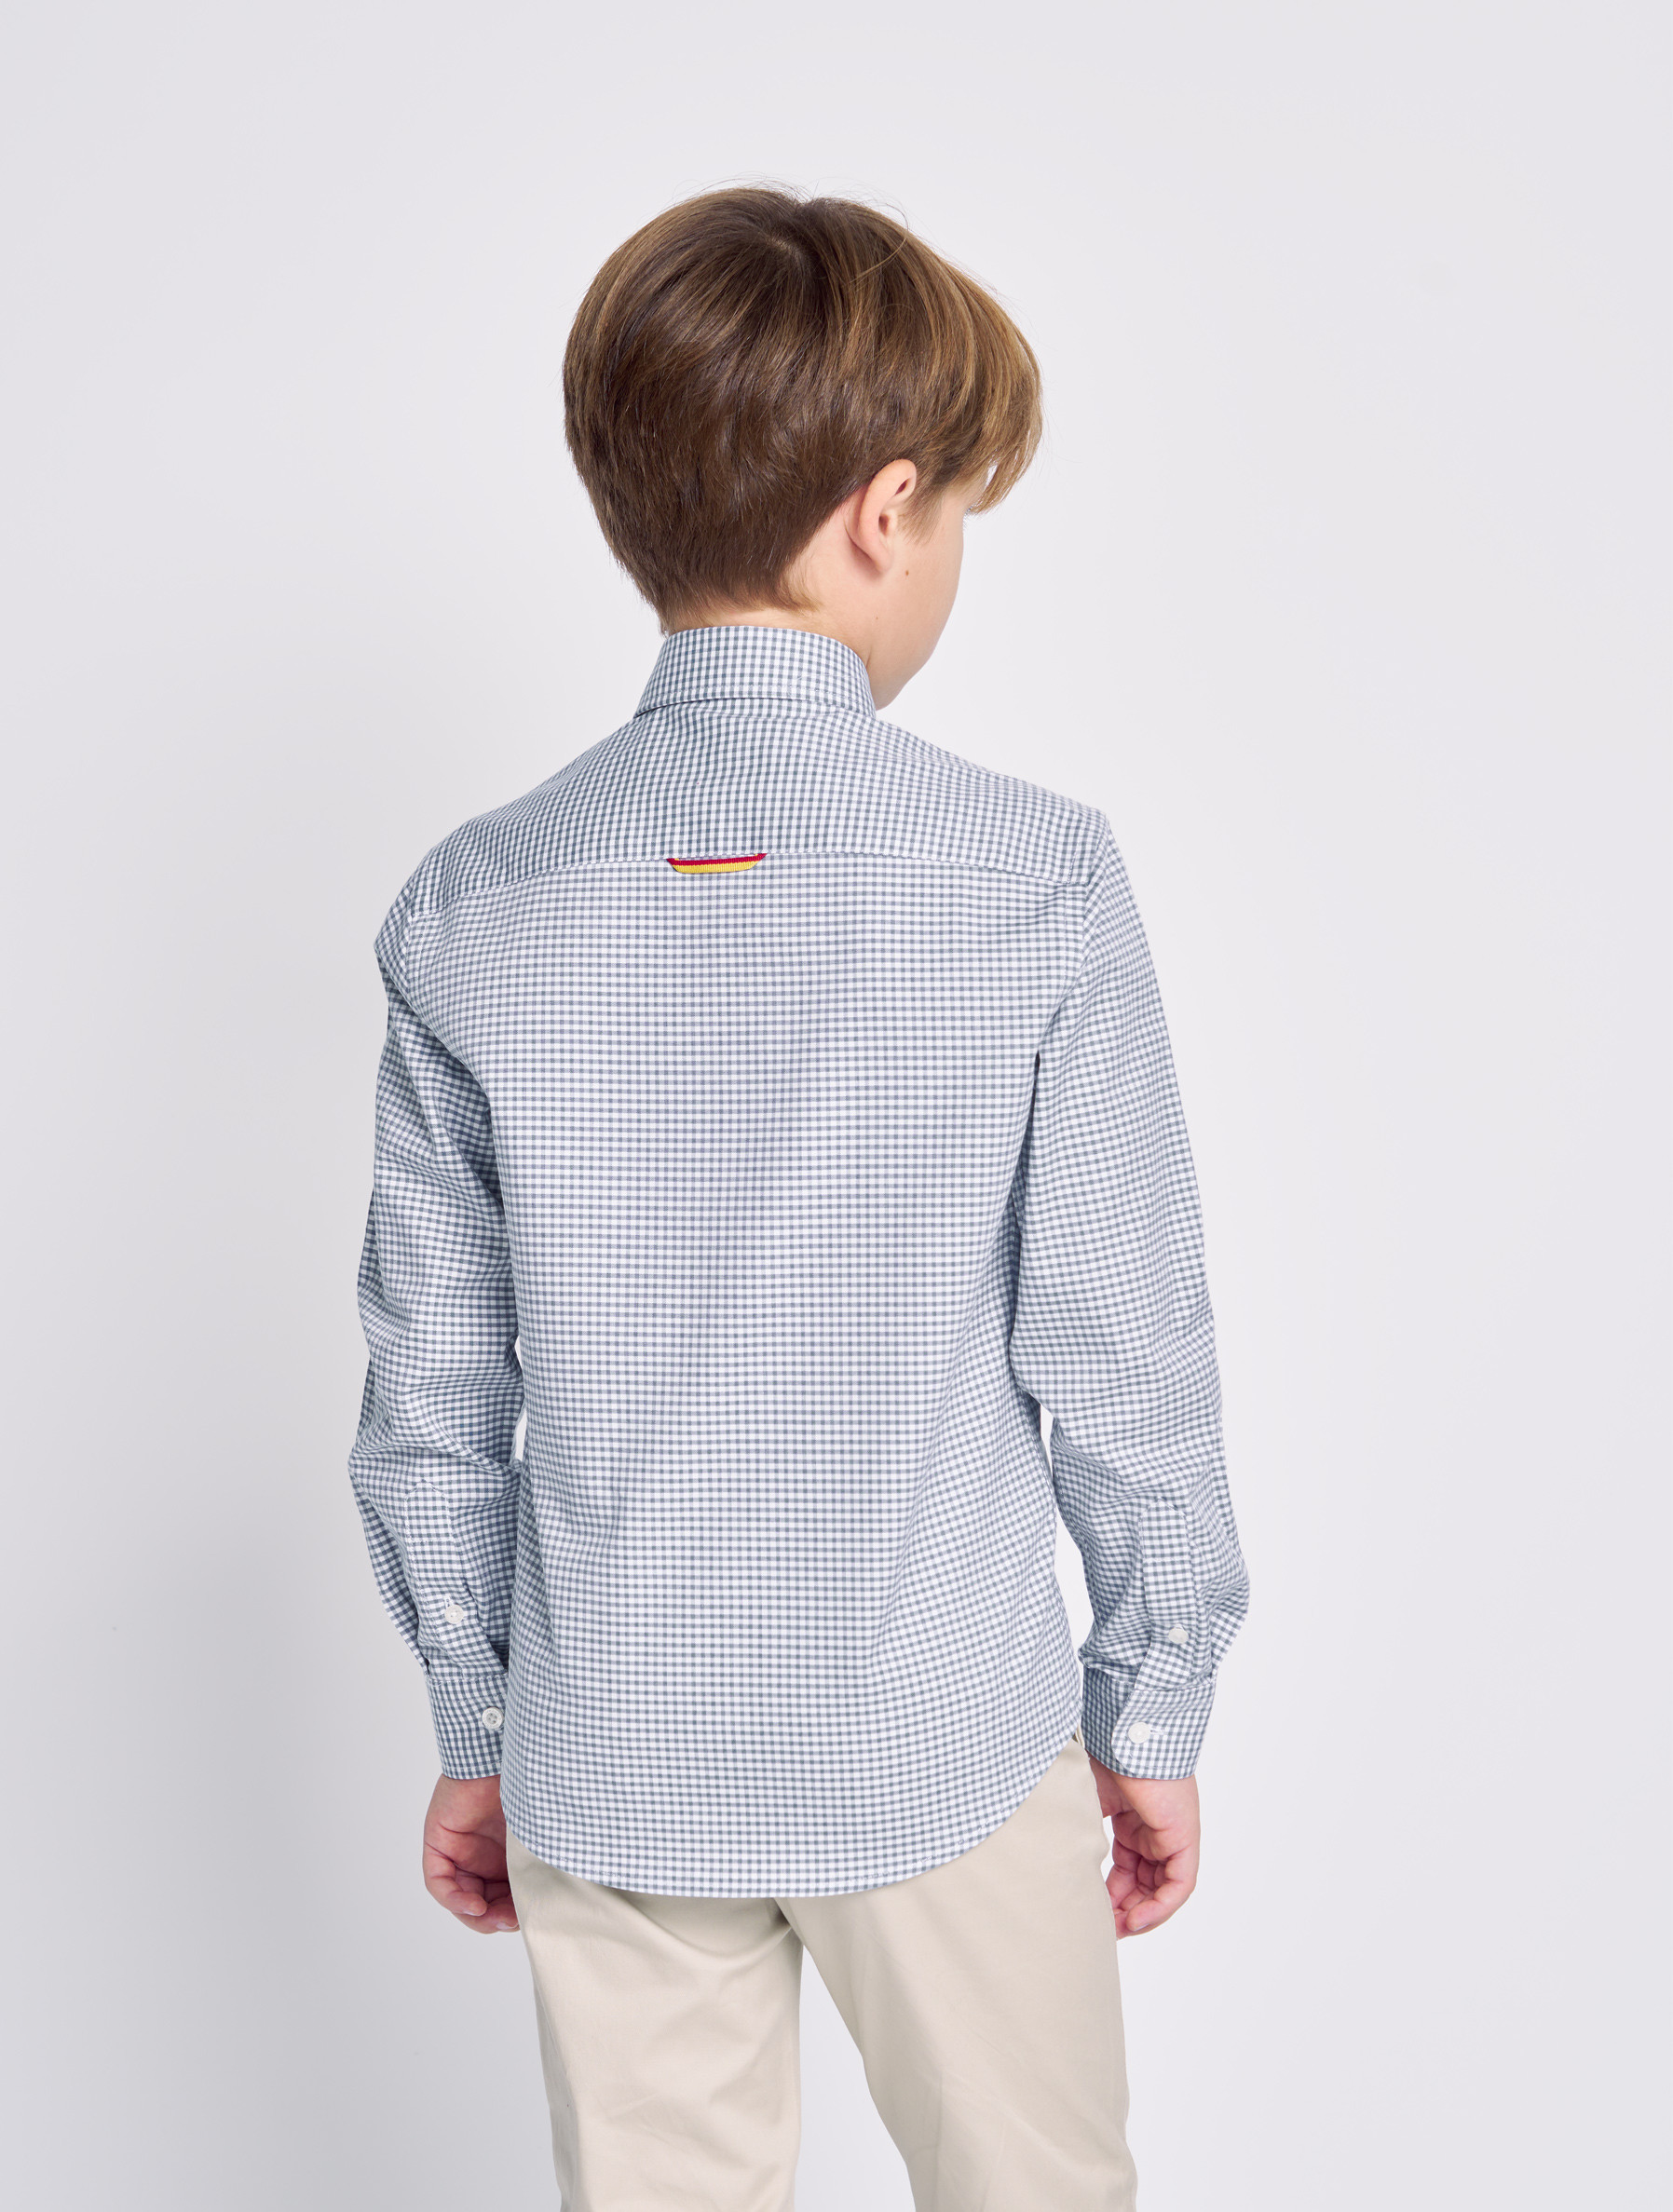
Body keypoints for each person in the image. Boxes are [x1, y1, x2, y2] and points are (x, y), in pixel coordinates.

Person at [348, 186, 1250, 2212]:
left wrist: (478, 1715)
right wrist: (1152, 1695)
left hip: (613, 1748)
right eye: (960, 514)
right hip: (945, 1725)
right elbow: (1119, 1344)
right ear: (884, 511)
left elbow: (434, 1399)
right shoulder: (1030, 877)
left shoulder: (478, 901)